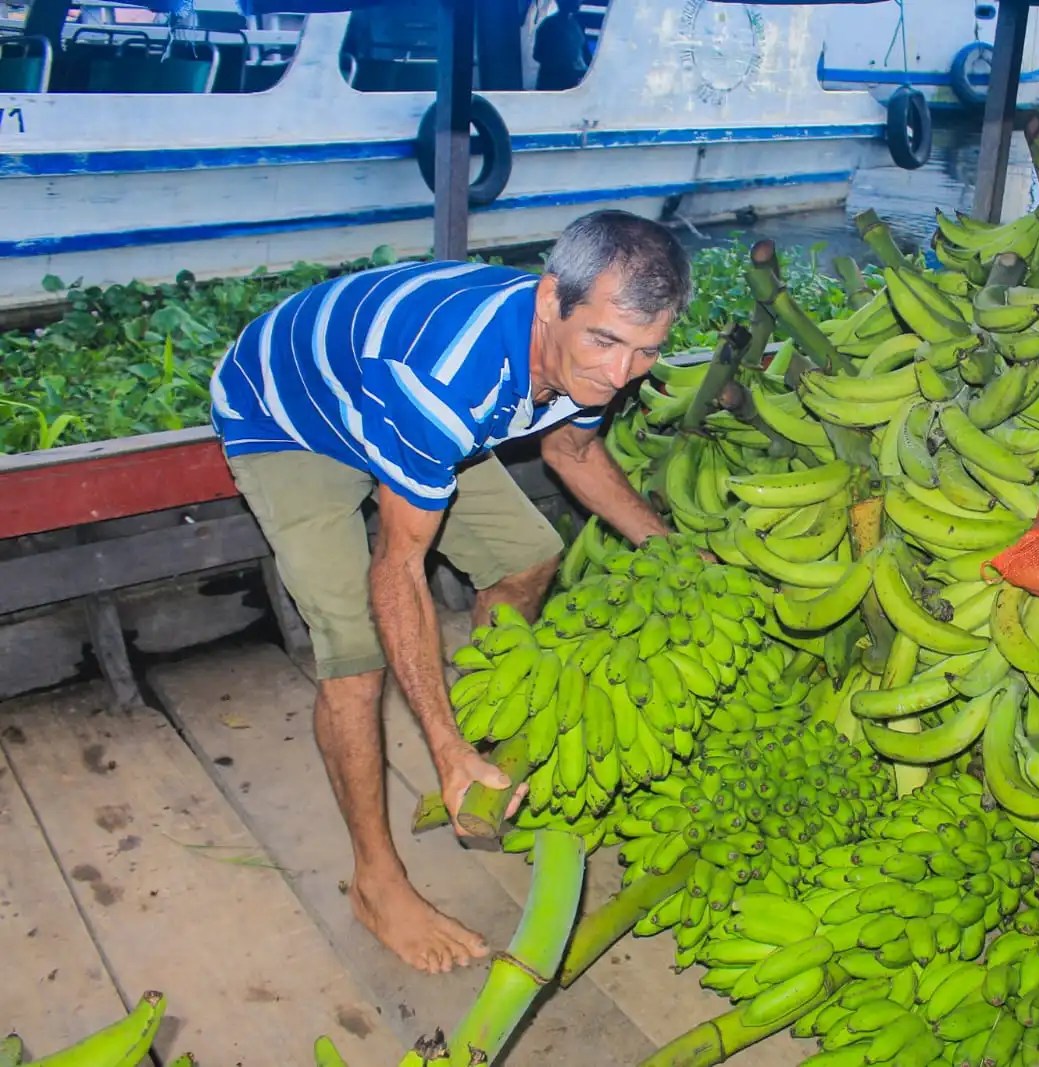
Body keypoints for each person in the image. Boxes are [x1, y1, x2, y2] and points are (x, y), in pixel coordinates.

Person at [208, 210, 691, 974]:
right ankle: (378, 882)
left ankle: (479, 730)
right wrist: (440, 747)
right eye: (605, 341)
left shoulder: (595, 358)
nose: (621, 373)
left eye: (646, 350)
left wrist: (673, 553)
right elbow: (398, 568)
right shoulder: (447, 383)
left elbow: (572, 450)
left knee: (527, 556)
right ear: (549, 300)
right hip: (289, 416)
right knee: (355, 655)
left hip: (387, 395)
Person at [531, 0, 589, 92]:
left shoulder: (575, 24)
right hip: (553, 84)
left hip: (570, 83)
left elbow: (581, 54)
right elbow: (537, 54)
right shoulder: (549, 25)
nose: (579, 2)